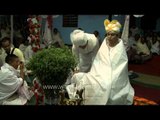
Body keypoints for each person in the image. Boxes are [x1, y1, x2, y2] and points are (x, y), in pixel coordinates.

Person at [66, 19, 134, 105]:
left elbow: (96, 58)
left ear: (118, 35)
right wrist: (78, 68)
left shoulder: (95, 41)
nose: (109, 37)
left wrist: (105, 74)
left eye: (112, 34)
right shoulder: (103, 44)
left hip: (114, 74)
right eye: (108, 34)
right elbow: (98, 61)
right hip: (95, 68)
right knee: (82, 77)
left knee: (107, 84)